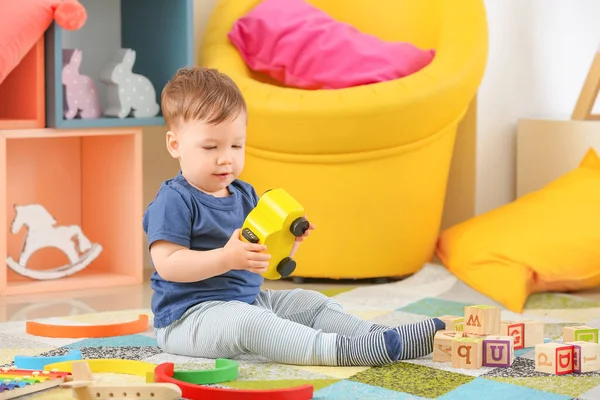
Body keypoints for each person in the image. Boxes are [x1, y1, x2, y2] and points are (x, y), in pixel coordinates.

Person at [142, 66, 445, 366]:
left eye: (237, 145)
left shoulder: (245, 195)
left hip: (246, 300)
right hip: (188, 317)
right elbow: (168, 265)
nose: (227, 158)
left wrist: (288, 242)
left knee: (310, 303)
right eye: (211, 147)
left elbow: (268, 266)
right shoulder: (175, 200)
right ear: (175, 145)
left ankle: (380, 337)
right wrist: (226, 258)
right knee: (252, 323)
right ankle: (341, 351)